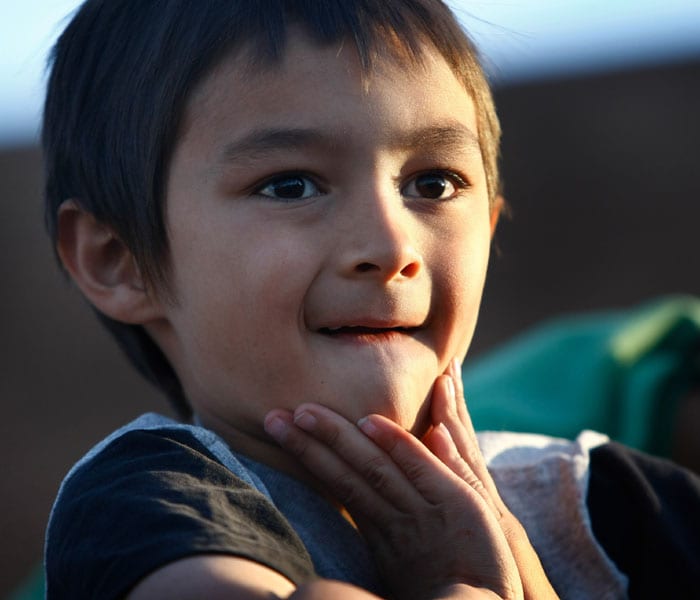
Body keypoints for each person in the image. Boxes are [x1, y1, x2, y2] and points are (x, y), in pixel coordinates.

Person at [42, 1, 699, 599]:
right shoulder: (152, 504)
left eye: (434, 184)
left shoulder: (602, 502)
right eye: (291, 186)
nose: (389, 244)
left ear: (488, 232)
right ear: (120, 262)